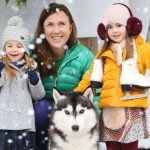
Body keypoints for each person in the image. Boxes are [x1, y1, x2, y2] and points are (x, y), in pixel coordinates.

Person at [74, 3, 150, 150]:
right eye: (109, 27)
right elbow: (90, 74)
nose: (114, 30)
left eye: (119, 25)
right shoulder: (104, 52)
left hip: (131, 109)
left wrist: (139, 38)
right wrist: (78, 91)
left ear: (129, 25)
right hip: (109, 111)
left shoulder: (140, 47)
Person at [32, 2, 94, 150]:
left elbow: (95, 94)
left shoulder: (84, 56)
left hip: (72, 113)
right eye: (50, 25)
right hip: (41, 115)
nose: (56, 30)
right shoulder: (32, 51)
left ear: (70, 27)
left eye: (61, 24)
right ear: (43, 28)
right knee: (41, 109)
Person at [0, 16, 45, 150]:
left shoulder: (30, 67)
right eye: (10, 45)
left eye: (19, 46)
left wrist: (35, 81)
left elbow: (39, 96)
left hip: (26, 125)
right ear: (4, 48)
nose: (14, 49)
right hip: (4, 124)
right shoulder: (2, 67)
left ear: (25, 48)